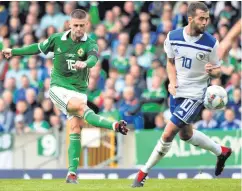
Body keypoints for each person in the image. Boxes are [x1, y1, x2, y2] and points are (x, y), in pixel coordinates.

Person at [2, 9, 129, 184]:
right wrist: (14, 52)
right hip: (58, 88)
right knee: (82, 109)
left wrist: (84, 63)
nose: (78, 29)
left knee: (76, 129)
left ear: (86, 25)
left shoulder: (90, 44)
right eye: (75, 25)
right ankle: (114, 125)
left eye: (81, 25)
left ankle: (71, 174)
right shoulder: (57, 39)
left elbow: (93, 59)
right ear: (69, 24)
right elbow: (37, 48)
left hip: (79, 91)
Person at [132, 2, 232, 187]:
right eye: (202, 18)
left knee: (168, 133)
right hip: (177, 92)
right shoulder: (173, 37)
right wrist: (171, 81)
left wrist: (213, 71)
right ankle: (221, 151)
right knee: (185, 135)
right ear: (190, 18)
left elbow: (219, 71)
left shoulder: (211, 43)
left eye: (207, 18)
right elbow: (170, 62)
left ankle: (142, 173)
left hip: (196, 95)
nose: (205, 22)